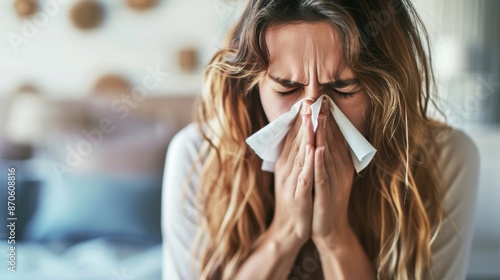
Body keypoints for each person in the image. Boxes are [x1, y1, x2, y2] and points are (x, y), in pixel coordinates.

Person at [162, 0, 480, 279]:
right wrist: (285, 233)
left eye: (343, 89)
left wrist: (335, 239)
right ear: (253, 83)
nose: (312, 116)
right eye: (286, 88)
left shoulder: (443, 160)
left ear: (386, 89)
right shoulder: (201, 156)